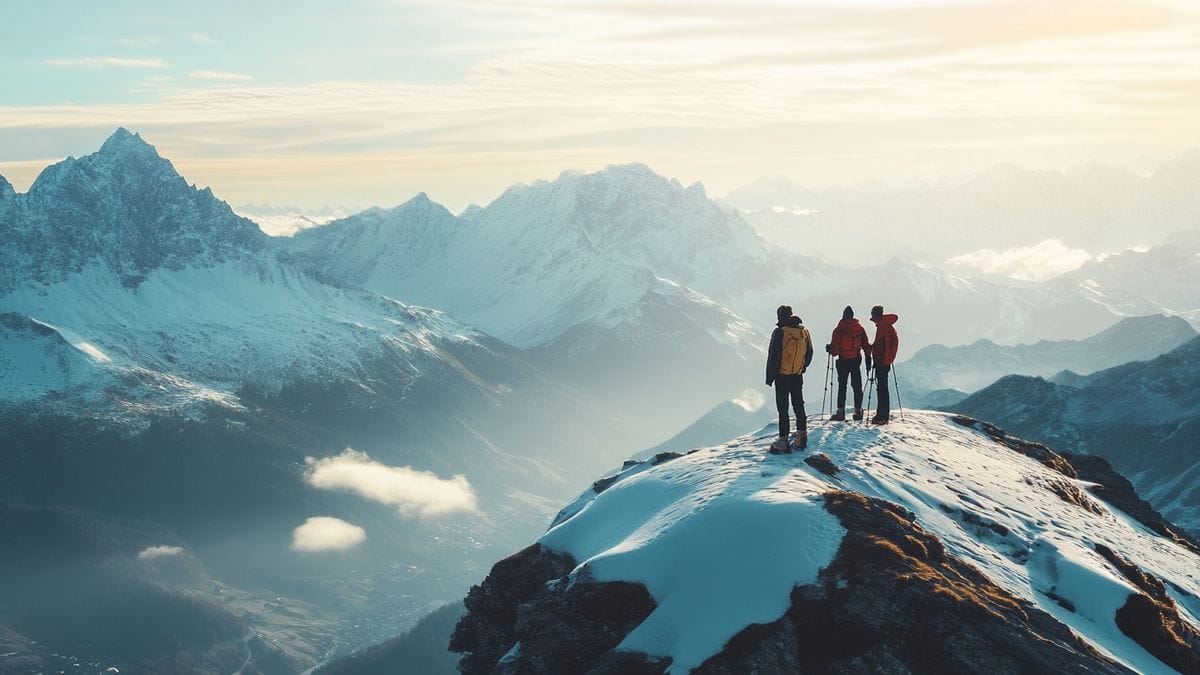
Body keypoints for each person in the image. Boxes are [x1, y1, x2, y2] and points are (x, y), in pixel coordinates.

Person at [766, 305, 813, 452]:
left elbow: (773, 356)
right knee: (798, 403)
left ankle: (783, 441)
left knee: (783, 407)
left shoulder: (780, 332)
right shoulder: (803, 331)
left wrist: (769, 377)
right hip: (797, 374)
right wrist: (803, 367)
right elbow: (810, 352)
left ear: (780, 316)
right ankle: (801, 436)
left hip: (782, 375)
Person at [825, 306, 871, 421]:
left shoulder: (839, 330)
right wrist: (868, 358)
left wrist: (830, 349)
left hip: (843, 361)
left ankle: (840, 412)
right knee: (857, 386)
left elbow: (835, 351)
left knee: (842, 386)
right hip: (856, 359)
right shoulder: (860, 329)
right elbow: (866, 345)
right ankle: (858, 411)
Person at [868, 304, 899, 425]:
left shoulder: (884, 328)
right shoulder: (884, 326)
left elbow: (884, 345)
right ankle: (881, 414)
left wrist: (883, 359)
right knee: (881, 388)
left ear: (877, 315)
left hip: (882, 363)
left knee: (882, 389)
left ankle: (882, 416)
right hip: (883, 362)